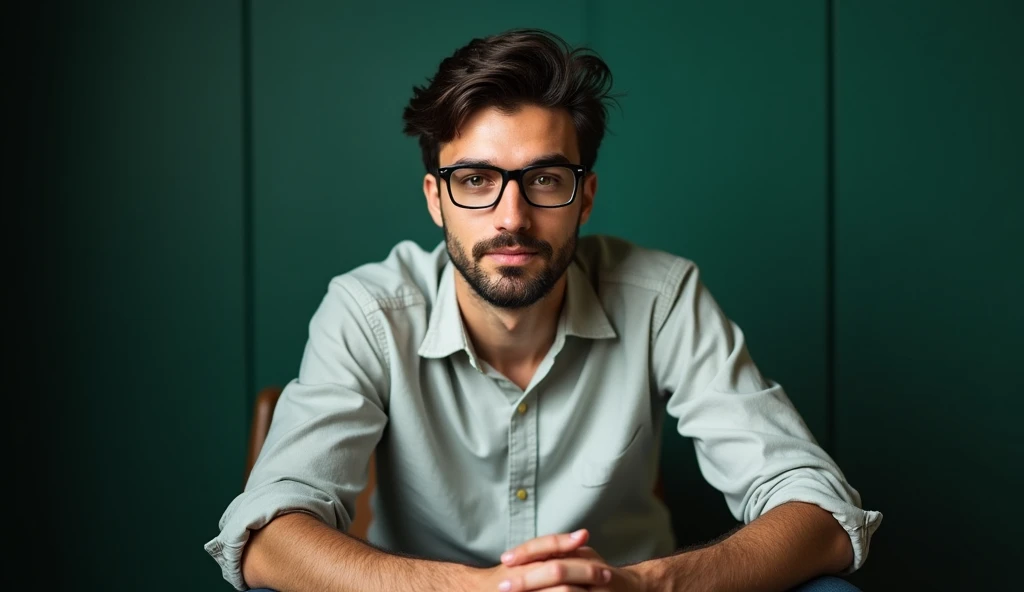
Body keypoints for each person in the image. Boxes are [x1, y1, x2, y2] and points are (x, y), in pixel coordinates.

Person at [205, 28, 881, 592]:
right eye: (475, 180)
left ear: (584, 197)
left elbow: (820, 513)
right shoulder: (369, 311)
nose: (511, 217)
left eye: (545, 180)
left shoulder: (662, 297)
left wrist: (640, 587)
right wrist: (479, 591)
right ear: (434, 198)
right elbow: (266, 538)